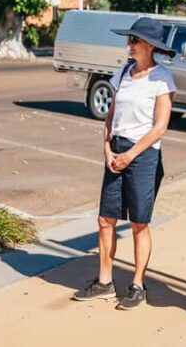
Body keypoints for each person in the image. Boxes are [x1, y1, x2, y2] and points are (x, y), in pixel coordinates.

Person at [73, 17, 177, 310]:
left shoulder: (162, 78)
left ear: (149, 46)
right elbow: (111, 116)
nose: (129, 45)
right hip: (116, 151)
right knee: (105, 220)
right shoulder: (123, 73)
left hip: (143, 156)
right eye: (129, 40)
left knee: (139, 223)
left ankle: (137, 285)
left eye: (134, 41)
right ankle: (104, 281)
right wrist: (107, 149)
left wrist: (131, 155)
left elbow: (160, 127)